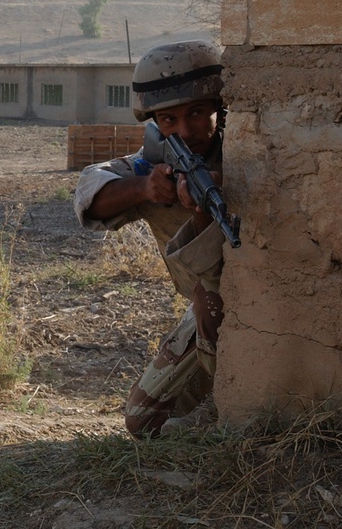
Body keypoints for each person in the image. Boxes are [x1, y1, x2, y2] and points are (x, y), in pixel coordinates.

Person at [73, 40, 227, 438]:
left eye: (197, 113)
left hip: (253, 309)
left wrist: (228, 188)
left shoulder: (248, 155)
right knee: (142, 420)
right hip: (204, 317)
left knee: (210, 297)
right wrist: (147, 188)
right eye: (169, 120)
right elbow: (91, 191)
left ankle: (229, 408)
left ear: (220, 109)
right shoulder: (157, 164)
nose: (185, 131)